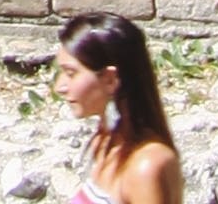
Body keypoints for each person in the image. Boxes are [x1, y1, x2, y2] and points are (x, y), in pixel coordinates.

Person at [56, 15, 181, 204]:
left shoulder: (146, 165)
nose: (60, 87)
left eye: (71, 74)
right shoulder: (104, 141)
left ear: (110, 80)